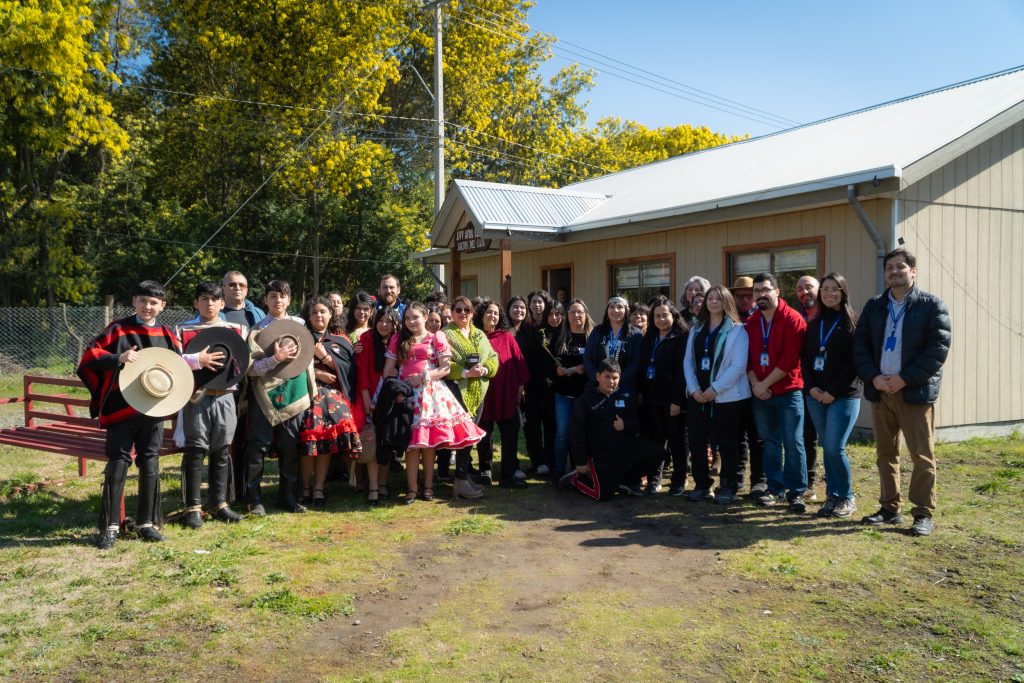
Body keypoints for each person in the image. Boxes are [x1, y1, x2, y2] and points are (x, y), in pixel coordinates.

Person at [853, 247, 951, 536]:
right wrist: (873, 377)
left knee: (922, 455)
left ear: (913, 271)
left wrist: (904, 378)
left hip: (914, 392)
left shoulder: (932, 305)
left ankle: (922, 513)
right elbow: (860, 346)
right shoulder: (875, 306)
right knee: (885, 453)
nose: (894, 272)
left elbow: (937, 350)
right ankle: (889, 508)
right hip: (881, 391)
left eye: (900, 267)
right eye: (889, 268)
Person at [78, 280, 183, 548]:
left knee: (150, 461)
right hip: (121, 408)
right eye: (143, 301)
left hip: (153, 408)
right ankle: (110, 527)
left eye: (154, 302)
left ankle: (147, 523)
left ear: (163, 306)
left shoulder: (167, 334)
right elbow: (89, 357)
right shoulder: (118, 329)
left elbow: (177, 369)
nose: (148, 306)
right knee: (118, 462)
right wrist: (117, 359)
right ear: (134, 301)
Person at [384, 302, 485, 504]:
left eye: (415, 317)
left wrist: (424, 376)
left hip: (430, 394)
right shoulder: (398, 338)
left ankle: (428, 487)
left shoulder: (436, 337)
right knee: (412, 445)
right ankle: (412, 489)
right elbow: (388, 369)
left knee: (428, 443)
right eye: (407, 318)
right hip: (406, 394)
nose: (411, 321)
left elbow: (445, 368)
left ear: (425, 317)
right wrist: (396, 385)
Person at [175, 282, 245, 529]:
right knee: (196, 449)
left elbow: (244, 359)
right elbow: (173, 361)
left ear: (222, 303)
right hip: (196, 397)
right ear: (196, 303)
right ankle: (192, 507)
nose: (209, 304)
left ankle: (219, 503)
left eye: (214, 299)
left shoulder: (235, 329)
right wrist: (197, 359)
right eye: (204, 299)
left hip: (225, 396)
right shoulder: (183, 330)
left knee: (222, 449)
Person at [245, 280, 315, 515]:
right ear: (265, 299)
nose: (278, 300)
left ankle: (288, 497)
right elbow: (251, 369)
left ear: (289, 299)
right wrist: (276, 359)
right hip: (264, 394)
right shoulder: (256, 331)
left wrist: (311, 390)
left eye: (283, 296)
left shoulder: (301, 326)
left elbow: (307, 362)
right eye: (273, 296)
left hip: (294, 392)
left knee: (290, 446)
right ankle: (254, 499)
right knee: (258, 446)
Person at [745, 272, 809, 513]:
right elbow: (747, 359)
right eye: (757, 291)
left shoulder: (793, 318)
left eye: (765, 289)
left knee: (793, 442)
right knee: (770, 442)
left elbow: (790, 359)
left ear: (777, 292)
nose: (761, 294)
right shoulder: (752, 322)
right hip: (760, 394)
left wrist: (764, 385)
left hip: (788, 392)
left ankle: (796, 492)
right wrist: (756, 385)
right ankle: (774, 488)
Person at [681, 285, 751, 503]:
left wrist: (714, 389)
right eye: (710, 298)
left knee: (728, 442)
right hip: (698, 396)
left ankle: (728, 487)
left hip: (727, 397)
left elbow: (738, 367)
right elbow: (688, 361)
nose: (713, 302)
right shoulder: (696, 329)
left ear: (726, 302)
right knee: (697, 441)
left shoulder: (738, 331)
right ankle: (702, 485)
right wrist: (694, 389)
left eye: (718, 298)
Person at [559, 359, 664, 501]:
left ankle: (627, 481)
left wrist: (624, 425)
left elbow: (636, 425)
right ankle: (575, 479)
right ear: (598, 376)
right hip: (599, 456)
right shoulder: (585, 400)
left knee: (658, 452)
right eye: (607, 377)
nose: (611, 381)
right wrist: (580, 460)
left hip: (622, 449)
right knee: (603, 496)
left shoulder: (624, 397)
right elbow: (577, 432)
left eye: (615, 377)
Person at [801, 272, 862, 518]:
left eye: (835, 289)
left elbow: (854, 363)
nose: (829, 293)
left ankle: (847, 497)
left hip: (844, 396)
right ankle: (833, 497)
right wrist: (812, 388)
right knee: (827, 448)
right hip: (816, 396)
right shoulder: (814, 324)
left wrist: (832, 392)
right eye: (825, 289)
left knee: (836, 447)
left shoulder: (853, 323)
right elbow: (805, 360)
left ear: (843, 292)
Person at [299, 296, 361, 508]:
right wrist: (316, 373)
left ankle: (318, 487)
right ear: (308, 316)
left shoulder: (340, 340)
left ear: (330, 314)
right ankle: (305, 487)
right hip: (305, 394)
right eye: (314, 312)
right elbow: (291, 366)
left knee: (324, 441)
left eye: (323, 311)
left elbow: (348, 370)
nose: (319, 315)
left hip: (332, 397)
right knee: (309, 440)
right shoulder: (300, 338)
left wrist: (325, 357)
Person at [444, 296, 498, 497]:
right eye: (458, 310)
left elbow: (493, 357)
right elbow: (445, 365)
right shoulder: (446, 334)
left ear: (472, 313)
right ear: (452, 312)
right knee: (463, 437)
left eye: (466, 310)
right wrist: (466, 373)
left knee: (469, 438)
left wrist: (485, 370)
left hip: (478, 392)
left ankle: (463, 478)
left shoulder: (479, 334)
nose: (462, 313)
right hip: (457, 391)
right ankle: (460, 480)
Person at [221, 270, 266, 502]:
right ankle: (229, 491)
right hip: (226, 384)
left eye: (241, 285)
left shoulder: (257, 314)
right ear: (223, 288)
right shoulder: (216, 314)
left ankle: (248, 489)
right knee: (229, 438)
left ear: (247, 289)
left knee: (250, 438)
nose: (237, 288)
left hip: (254, 383)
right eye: (232, 284)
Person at [476, 299, 531, 489]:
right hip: (484, 394)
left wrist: (520, 390)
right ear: (481, 315)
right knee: (484, 434)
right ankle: (485, 471)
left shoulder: (507, 338)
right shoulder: (475, 336)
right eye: (489, 312)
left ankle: (508, 474)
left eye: (496, 313)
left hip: (507, 393)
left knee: (510, 433)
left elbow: (519, 364)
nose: (493, 316)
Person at [637, 297, 688, 495]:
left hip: (672, 400)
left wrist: (677, 400)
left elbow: (681, 373)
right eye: (657, 316)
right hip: (651, 399)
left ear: (673, 315)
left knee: (676, 442)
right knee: (656, 442)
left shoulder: (681, 338)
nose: (661, 319)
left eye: (665, 315)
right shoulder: (648, 337)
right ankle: (654, 479)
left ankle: (678, 481)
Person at [356, 306, 400, 503]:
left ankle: (382, 483)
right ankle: (373, 486)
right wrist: (366, 398)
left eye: (389, 321)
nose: (384, 325)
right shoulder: (366, 339)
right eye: (381, 320)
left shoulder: (399, 340)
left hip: (390, 397)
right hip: (369, 396)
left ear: (395, 324)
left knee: (386, 441)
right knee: (372, 440)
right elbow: (361, 372)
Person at [730, 275, 765, 498]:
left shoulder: (762, 318)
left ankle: (759, 481)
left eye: (748, 295)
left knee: (757, 436)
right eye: (740, 296)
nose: (744, 300)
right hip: (733, 387)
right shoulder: (728, 319)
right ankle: (737, 477)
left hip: (759, 384)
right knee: (737, 436)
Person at [550, 298, 593, 478]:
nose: (576, 315)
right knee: (562, 433)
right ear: (567, 316)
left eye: (579, 312)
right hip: (564, 395)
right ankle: (559, 470)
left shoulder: (593, 337)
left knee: (585, 432)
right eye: (572, 312)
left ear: (586, 315)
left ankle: (582, 471)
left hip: (586, 395)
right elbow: (550, 366)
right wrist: (557, 371)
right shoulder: (559, 337)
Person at [521, 289, 556, 475]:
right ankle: (537, 461)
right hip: (529, 383)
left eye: (540, 301)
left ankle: (550, 461)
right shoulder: (524, 327)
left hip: (549, 383)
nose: (536, 305)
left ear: (545, 304)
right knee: (531, 426)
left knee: (550, 425)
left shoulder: (551, 327)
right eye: (533, 301)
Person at [795, 274, 822, 499]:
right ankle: (808, 483)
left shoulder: (830, 315)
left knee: (833, 442)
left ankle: (836, 490)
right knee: (807, 436)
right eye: (800, 289)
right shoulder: (797, 317)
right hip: (803, 384)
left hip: (829, 385)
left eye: (809, 287)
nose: (804, 292)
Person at [583, 296, 644, 396]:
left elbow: (636, 362)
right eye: (611, 307)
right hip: (598, 387)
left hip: (625, 388)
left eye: (619, 307)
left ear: (626, 311)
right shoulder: (597, 331)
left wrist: (616, 381)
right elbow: (587, 358)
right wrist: (598, 378)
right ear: (607, 311)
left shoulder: (635, 334)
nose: (615, 310)